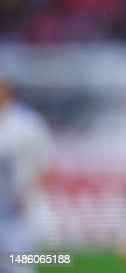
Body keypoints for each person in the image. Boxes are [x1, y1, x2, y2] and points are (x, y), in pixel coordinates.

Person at [0, 78, 53, 273]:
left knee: (18, 262)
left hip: (19, 207)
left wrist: (29, 193)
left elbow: (45, 162)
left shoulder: (27, 123)